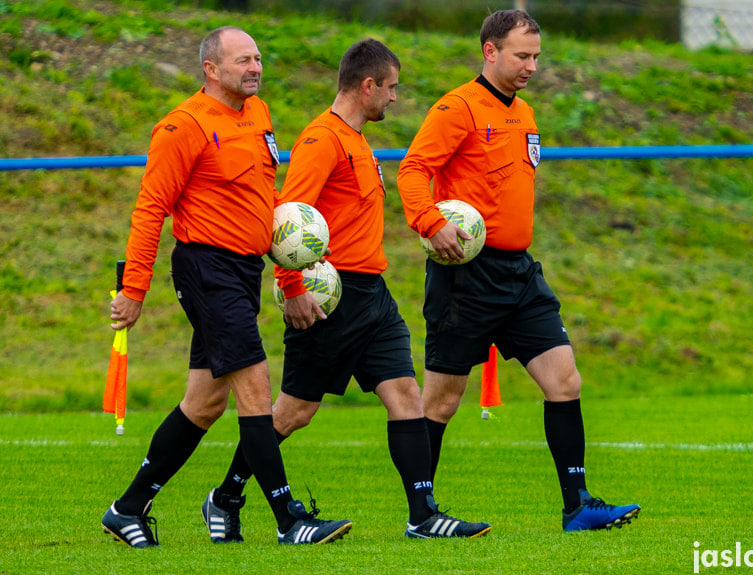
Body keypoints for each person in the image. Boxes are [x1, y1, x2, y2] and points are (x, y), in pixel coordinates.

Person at [201, 38, 491, 542]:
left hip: (373, 295)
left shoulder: (358, 140)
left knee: (405, 396)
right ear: (368, 85)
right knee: (294, 411)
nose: (396, 98)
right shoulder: (322, 140)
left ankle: (423, 515)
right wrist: (292, 288)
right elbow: (286, 222)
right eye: (392, 88)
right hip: (329, 297)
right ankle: (224, 497)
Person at [100, 26, 351, 548]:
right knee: (256, 390)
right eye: (242, 60)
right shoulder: (181, 127)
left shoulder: (258, 115)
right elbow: (150, 210)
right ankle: (290, 520)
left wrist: (291, 273)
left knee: (204, 404)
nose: (255, 67)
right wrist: (135, 290)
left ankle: (126, 509)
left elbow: (268, 205)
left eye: (257, 58)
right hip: (206, 270)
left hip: (243, 272)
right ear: (211, 70)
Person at [396, 10, 641, 532]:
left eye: (536, 56)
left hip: (520, 275)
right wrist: (429, 220)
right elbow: (414, 168)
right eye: (521, 55)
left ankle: (577, 505)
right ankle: (421, 514)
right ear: (490, 51)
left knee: (565, 380)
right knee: (441, 399)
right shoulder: (457, 107)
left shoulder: (525, 113)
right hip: (466, 276)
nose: (531, 65)